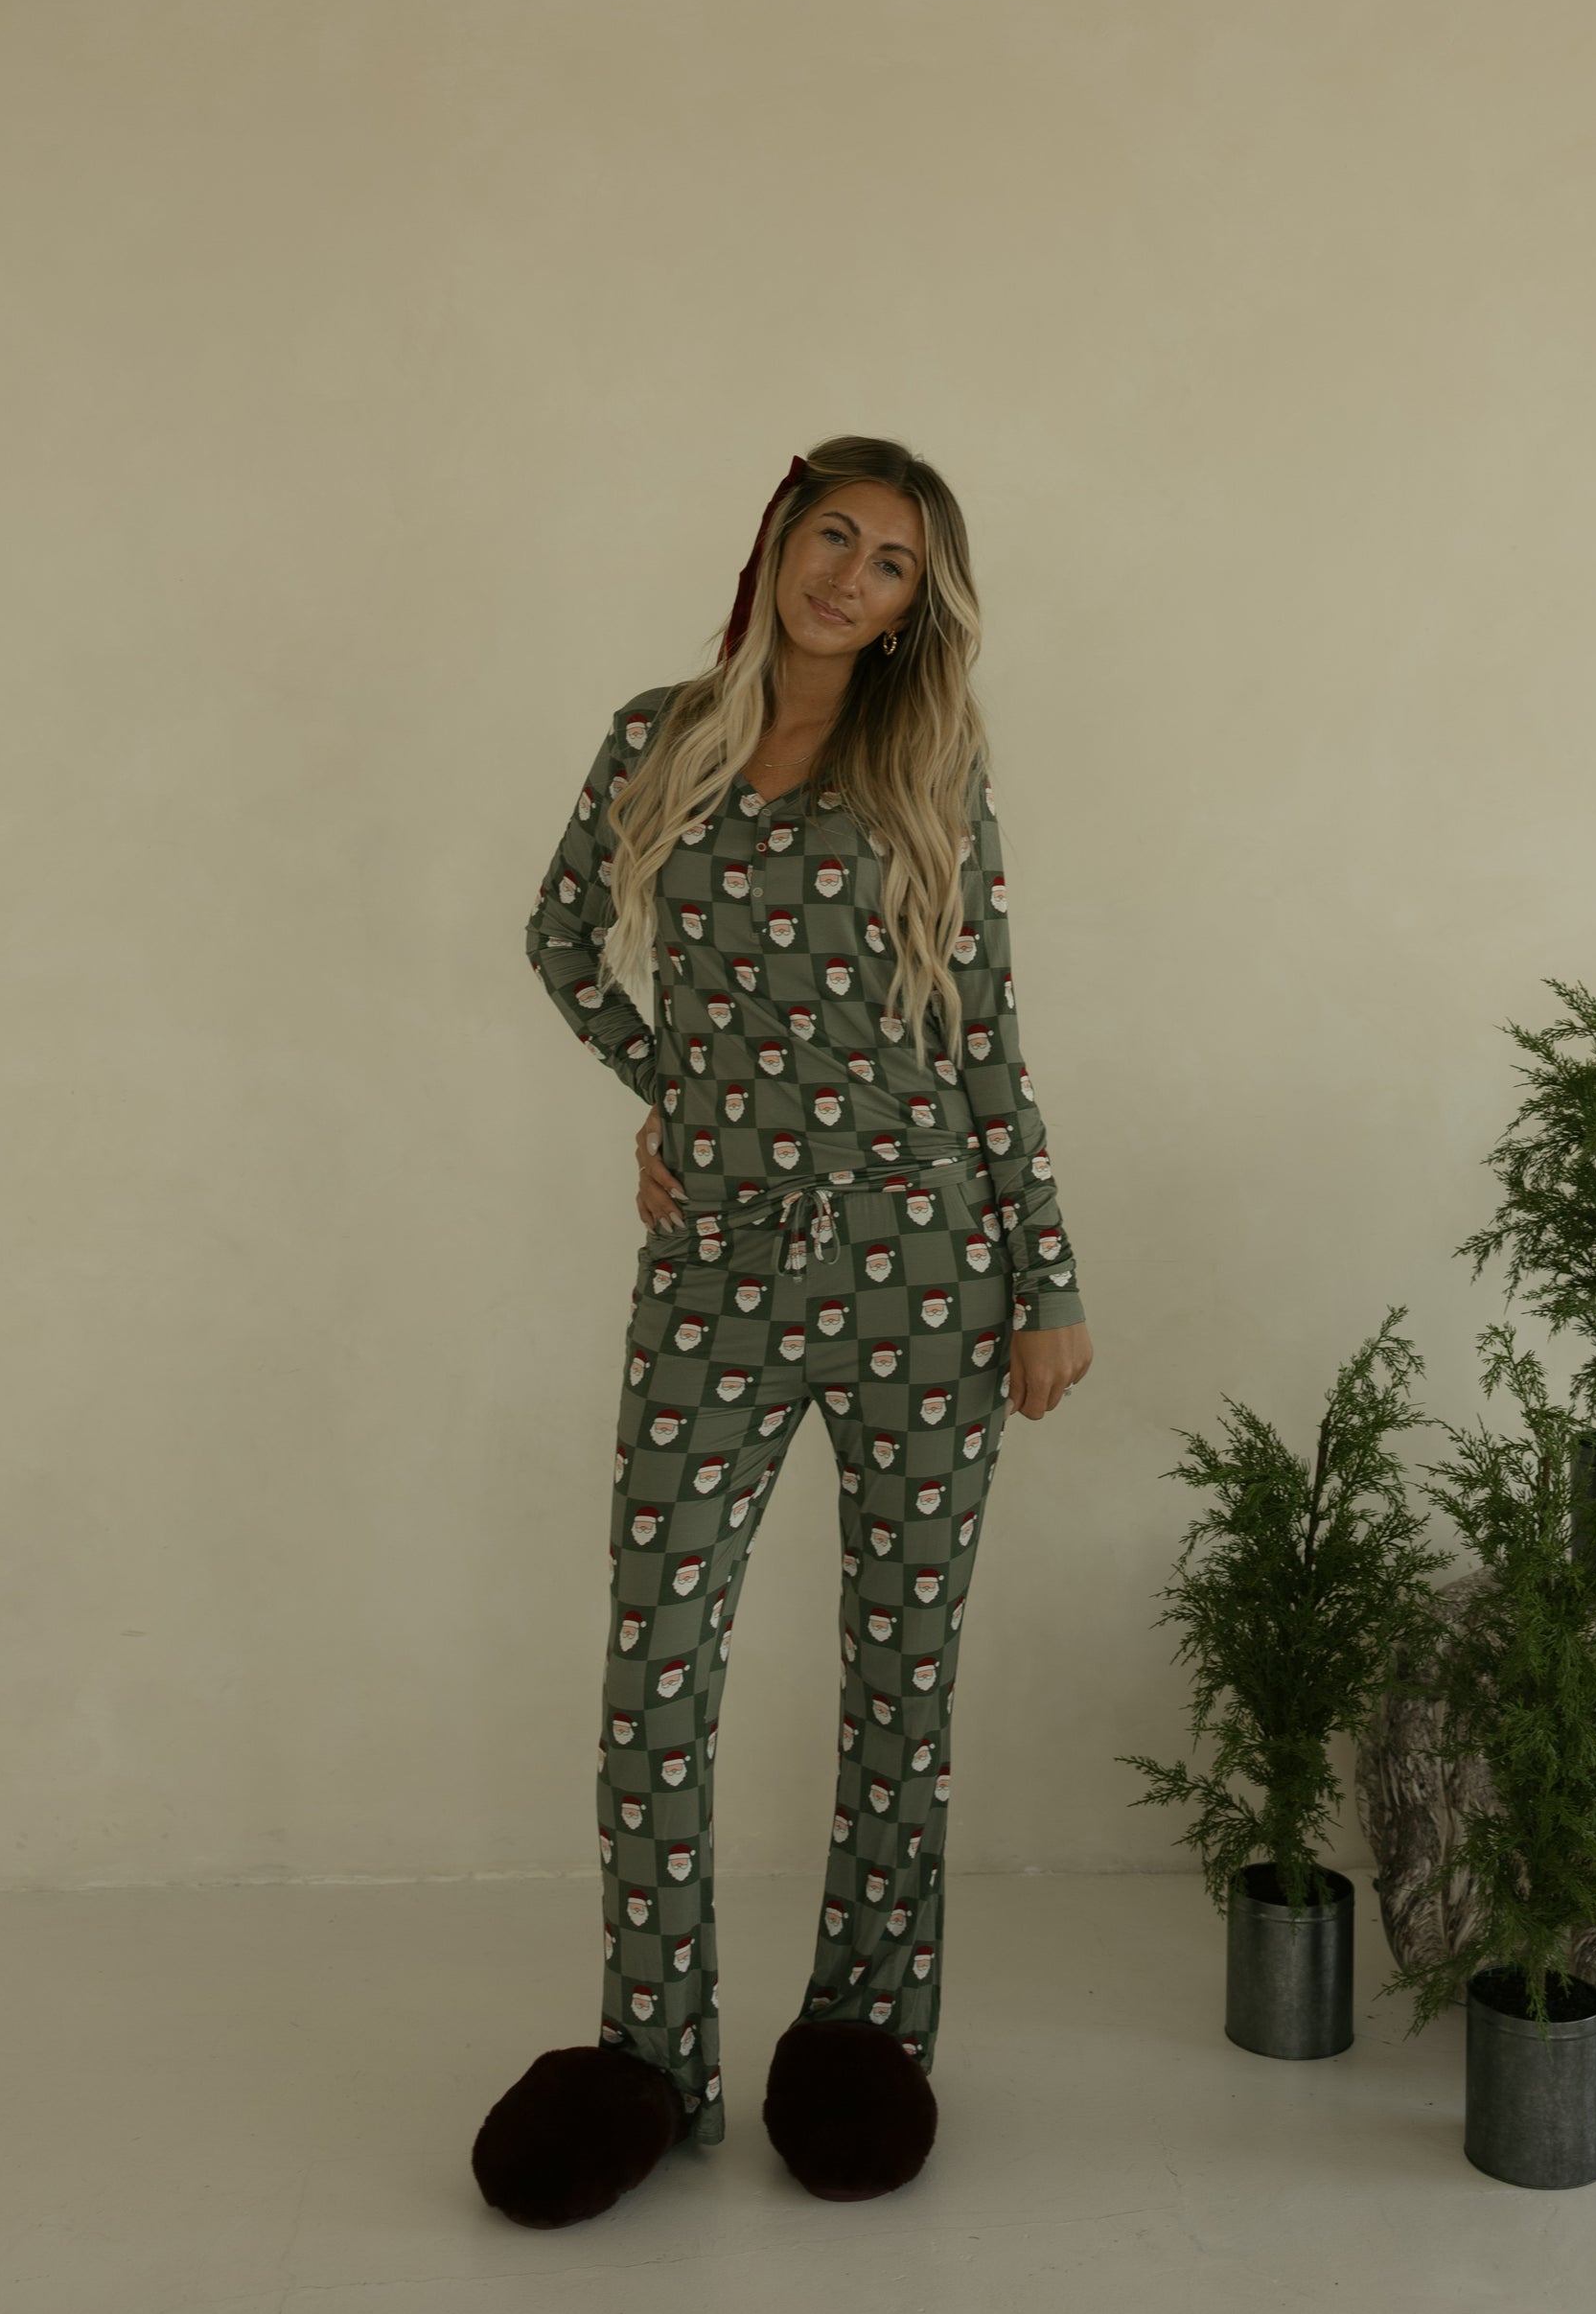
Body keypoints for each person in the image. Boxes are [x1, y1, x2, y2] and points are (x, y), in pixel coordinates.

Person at [471, 437, 1093, 2225]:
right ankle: (646, 2054)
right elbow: (559, 941)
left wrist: (1042, 1277)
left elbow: (984, 1039)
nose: (850, 574)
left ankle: (865, 2038)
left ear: (916, 608)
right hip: (715, 1276)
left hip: (925, 1267)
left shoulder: (932, 766)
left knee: (902, 1680)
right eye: (833, 533)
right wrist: (681, 1095)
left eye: (892, 562)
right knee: (651, 1664)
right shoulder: (655, 733)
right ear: (777, 536)